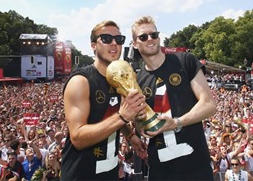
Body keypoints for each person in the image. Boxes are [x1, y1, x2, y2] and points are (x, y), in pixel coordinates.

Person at [131, 16, 217, 180]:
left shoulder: (185, 60)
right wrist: (141, 125)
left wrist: (177, 123)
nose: (150, 39)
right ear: (135, 43)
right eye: (143, 36)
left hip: (196, 165)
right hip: (160, 170)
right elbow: (139, 123)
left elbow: (209, 105)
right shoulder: (137, 81)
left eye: (153, 34)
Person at [60, 20, 147, 181]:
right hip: (80, 174)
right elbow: (78, 137)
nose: (114, 43)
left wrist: (130, 135)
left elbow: (109, 116)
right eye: (106, 39)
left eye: (119, 39)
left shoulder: (117, 80)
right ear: (93, 45)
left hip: (110, 173)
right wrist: (122, 117)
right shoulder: (81, 81)